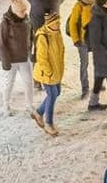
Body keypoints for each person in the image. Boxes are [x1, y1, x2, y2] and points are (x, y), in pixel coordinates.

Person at [0, 0, 35, 116]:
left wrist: (32, 51)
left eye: (25, 10)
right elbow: (1, 44)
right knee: (9, 83)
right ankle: (6, 105)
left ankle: (30, 106)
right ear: (15, 11)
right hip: (11, 60)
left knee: (28, 82)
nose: (24, 13)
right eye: (21, 11)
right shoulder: (5, 23)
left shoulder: (26, 19)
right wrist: (5, 61)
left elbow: (31, 36)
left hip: (24, 58)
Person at [32, 7, 64, 136]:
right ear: (49, 23)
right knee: (52, 95)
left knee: (57, 92)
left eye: (59, 22)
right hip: (47, 73)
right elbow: (42, 58)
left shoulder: (57, 33)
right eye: (56, 23)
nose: (58, 25)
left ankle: (38, 112)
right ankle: (48, 124)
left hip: (56, 70)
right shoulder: (43, 37)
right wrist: (49, 72)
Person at [67, 0, 96, 99]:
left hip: (95, 38)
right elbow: (73, 23)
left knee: (98, 62)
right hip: (83, 40)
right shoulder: (78, 6)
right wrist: (76, 39)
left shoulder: (96, 3)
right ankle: (85, 88)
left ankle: (98, 83)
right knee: (84, 64)